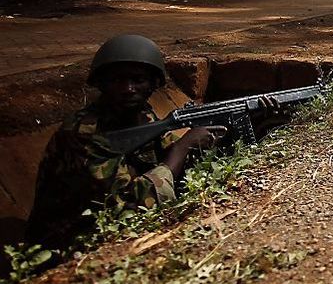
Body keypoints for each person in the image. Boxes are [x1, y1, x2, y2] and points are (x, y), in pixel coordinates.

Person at [25, 35, 227, 251]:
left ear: (153, 84)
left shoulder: (141, 116)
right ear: (101, 84)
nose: (128, 89)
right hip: (67, 244)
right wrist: (182, 148)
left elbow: (168, 152)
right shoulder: (84, 133)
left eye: (138, 80)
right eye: (117, 80)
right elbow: (128, 206)